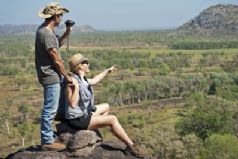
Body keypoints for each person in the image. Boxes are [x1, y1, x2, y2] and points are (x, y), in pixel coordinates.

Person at [65, 53, 145, 158]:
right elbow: (72, 104)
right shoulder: (72, 81)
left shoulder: (82, 79)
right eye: (86, 63)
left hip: (84, 114)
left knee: (106, 106)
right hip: (77, 119)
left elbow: (94, 80)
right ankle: (131, 146)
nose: (88, 64)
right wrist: (76, 88)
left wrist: (107, 71)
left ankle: (94, 130)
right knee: (112, 119)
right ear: (80, 66)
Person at [35, 2, 73, 151]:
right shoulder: (45, 33)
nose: (61, 18)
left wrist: (67, 31)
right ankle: (47, 140)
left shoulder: (45, 32)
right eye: (61, 15)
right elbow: (56, 59)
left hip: (52, 75)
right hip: (51, 76)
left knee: (57, 106)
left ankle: (54, 132)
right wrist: (67, 76)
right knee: (50, 108)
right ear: (55, 16)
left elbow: (57, 44)